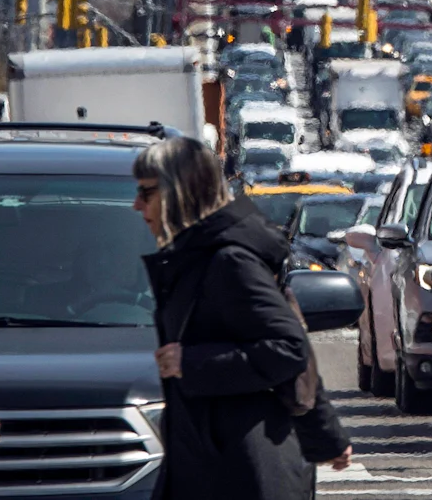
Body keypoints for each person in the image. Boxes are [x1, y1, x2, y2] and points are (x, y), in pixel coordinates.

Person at [132, 137, 351, 500]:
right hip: (211, 464)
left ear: (181, 192)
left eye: (147, 192)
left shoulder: (228, 262)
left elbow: (289, 349)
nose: (137, 204)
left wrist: (193, 361)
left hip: (242, 470)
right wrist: (326, 437)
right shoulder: (196, 257)